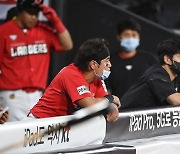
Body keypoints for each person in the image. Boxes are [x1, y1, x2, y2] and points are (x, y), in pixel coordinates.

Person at [0, 0, 73, 122]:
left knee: (37, 138)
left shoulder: (43, 31)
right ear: (19, 11)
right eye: (30, 13)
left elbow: (67, 45)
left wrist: (56, 20)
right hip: (11, 97)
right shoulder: (4, 31)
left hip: (38, 97)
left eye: (36, 13)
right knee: (13, 137)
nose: (34, 17)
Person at [28, 38, 120, 122]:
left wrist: (111, 105)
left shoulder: (97, 78)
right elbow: (91, 104)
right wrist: (111, 98)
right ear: (93, 64)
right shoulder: (71, 74)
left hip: (60, 126)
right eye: (106, 61)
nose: (110, 65)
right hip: (38, 122)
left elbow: (102, 101)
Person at [120, 38, 180, 110]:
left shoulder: (176, 77)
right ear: (167, 59)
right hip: (123, 118)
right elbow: (176, 100)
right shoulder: (156, 74)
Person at [105, 18, 159, 99]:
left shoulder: (150, 59)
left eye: (134, 35)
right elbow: (106, 90)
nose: (130, 38)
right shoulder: (109, 61)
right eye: (126, 35)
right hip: (120, 109)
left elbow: (159, 86)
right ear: (119, 37)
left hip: (147, 109)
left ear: (139, 37)